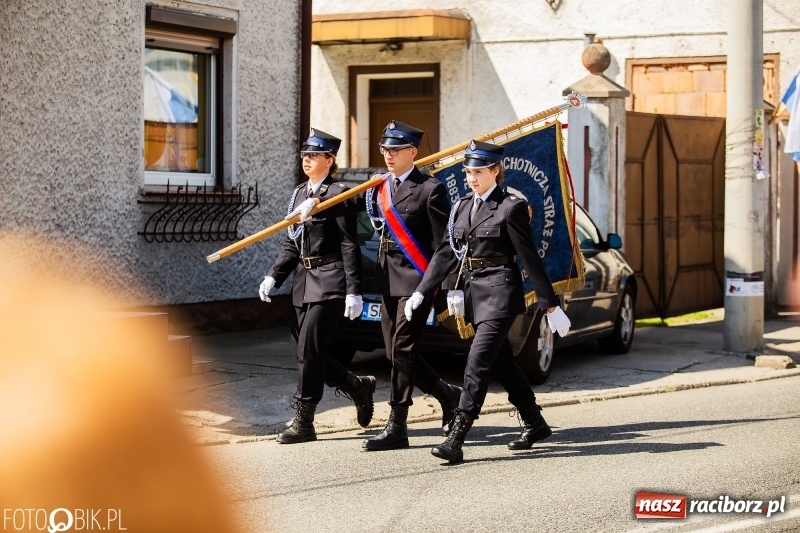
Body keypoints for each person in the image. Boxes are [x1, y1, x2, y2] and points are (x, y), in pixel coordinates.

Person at [288, 120, 462, 450]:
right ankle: (446, 394)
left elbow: (445, 245)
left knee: (403, 350)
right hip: (387, 278)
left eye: (395, 149)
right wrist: (316, 204)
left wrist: (438, 287)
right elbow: (345, 203)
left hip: (416, 280)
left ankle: (397, 425)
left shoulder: (430, 189)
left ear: (413, 152)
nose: (388, 155)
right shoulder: (380, 186)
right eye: (385, 149)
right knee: (396, 352)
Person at [405, 139, 572, 464]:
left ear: (496, 171)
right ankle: (535, 423)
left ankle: (456, 437)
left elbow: (529, 258)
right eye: (468, 172)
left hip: (500, 293)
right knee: (502, 363)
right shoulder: (462, 206)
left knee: (477, 362)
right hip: (474, 295)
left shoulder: (510, 207)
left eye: (478, 172)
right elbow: (446, 253)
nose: (472, 178)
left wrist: (550, 306)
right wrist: (421, 291)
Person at [258, 128, 376, 444]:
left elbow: (349, 243)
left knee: (309, 351)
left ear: (330, 159)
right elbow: (292, 242)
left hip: (330, 280)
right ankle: (356, 385)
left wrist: (354, 290)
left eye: (314, 155)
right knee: (305, 352)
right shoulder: (299, 193)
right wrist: (274, 275)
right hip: (303, 280)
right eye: (305, 155)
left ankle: (304, 421)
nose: (307, 160)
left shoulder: (338, 192)